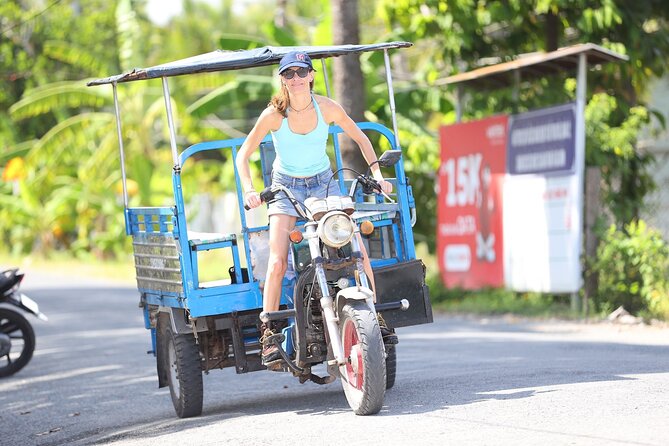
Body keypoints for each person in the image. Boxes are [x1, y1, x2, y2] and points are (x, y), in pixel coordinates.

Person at [235, 51, 392, 369]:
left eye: (300, 72)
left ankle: (375, 317)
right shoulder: (274, 115)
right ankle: (269, 333)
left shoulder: (328, 108)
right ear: (282, 79)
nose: (294, 79)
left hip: (324, 183)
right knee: (278, 260)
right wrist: (251, 190)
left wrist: (378, 176)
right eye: (288, 74)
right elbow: (243, 155)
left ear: (311, 76)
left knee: (358, 251)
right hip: (284, 187)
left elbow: (361, 138)